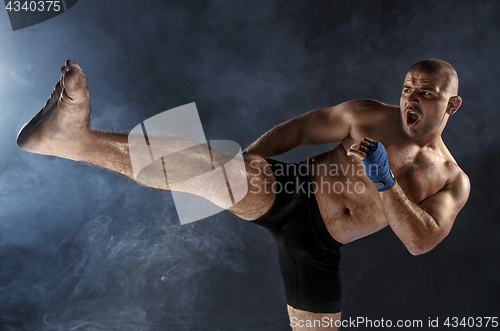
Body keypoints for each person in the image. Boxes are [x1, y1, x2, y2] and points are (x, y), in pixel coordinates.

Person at [17, 59, 470, 331]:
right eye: (407, 88)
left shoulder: (452, 179)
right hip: (292, 193)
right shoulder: (368, 114)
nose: (411, 98)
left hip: (320, 252)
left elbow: (420, 240)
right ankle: (70, 140)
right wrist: (242, 169)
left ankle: (71, 142)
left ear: (450, 105)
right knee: (229, 173)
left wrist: (385, 181)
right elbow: (298, 130)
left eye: (425, 94)